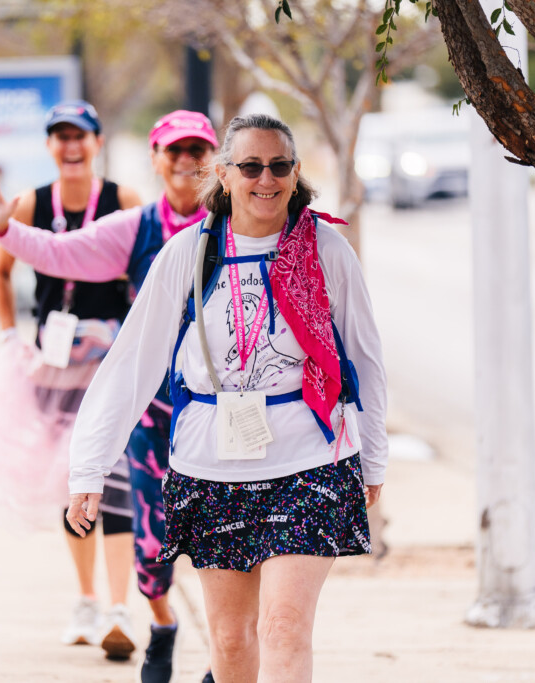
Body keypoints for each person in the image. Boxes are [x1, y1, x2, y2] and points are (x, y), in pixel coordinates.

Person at [64, 113, 389, 682]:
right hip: (211, 466)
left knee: (283, 627)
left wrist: (374, 454)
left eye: (280, 165)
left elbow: (365, 359)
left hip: (310, 460)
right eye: (251, 166)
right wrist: (88, 469)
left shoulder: (327, 250)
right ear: (224, 173)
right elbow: (130, 366)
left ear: (294, 173)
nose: (267, 178)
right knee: (232, 642)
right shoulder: (186, 254)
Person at [0, 109, 217, 683]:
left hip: (223, 416)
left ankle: (223, 659)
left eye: (197, 150)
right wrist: (6, 229)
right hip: (153, 415)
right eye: (174, 151)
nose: (185, 161)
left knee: (224, 535)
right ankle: (160, 622)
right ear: (155, 159)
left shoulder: (238, 225)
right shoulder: (137, 227)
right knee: (150, 542)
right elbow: (63, 252)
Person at [0, 100, 143, 660]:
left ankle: (120, 608)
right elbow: (1, 269)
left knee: (115, 478)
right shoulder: (31, 203)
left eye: (81, 136)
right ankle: (87, 599)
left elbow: (149, 272)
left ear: (97, 142)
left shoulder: (124, 202)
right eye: (60, 137)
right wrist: (7, 336)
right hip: (52, 361)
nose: (71, 147)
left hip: (110, 363)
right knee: (73, 481)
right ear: (50, 146)